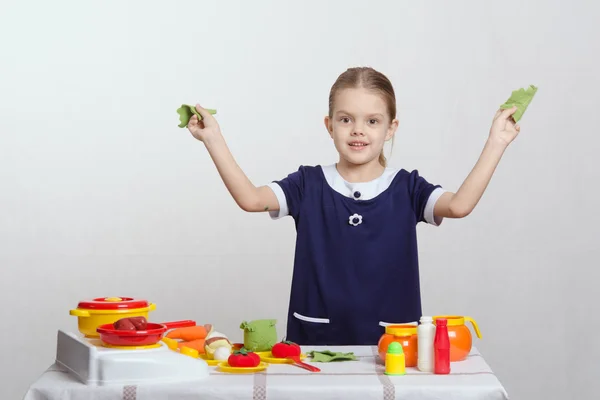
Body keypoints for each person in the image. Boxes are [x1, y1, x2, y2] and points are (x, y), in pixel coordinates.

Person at [185, 67, 521, 345]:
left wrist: (496, 142)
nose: (358, 130)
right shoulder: (307, 183)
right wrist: (213, 139)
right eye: (346, 120)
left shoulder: (408, 187)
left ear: (391, 128)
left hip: (392, 348)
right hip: (315, 346)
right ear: (329, 125)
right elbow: (250, 199)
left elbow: (460, 205)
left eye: (372, 121)